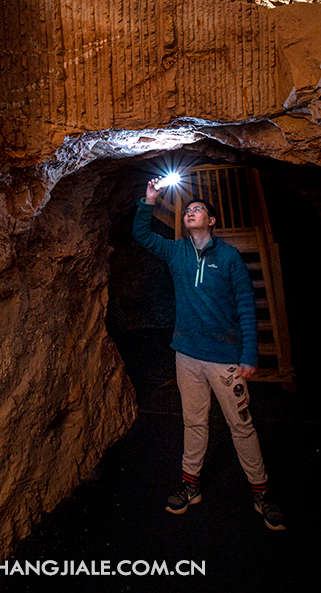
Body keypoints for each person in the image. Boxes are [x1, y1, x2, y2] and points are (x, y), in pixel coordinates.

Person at [132, 177, 286, 531]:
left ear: (212, 221)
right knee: (194, 422)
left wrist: (249, 354)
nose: (190, 212)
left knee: (241, 425)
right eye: (187, 210)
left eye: (198, 209)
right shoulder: (176, 251)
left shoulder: (229, 257)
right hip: (186, 354)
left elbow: (247, 307)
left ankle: (261, 493)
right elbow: (142, 236)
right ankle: (190, 487)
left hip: (224, 359)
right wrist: (149, 201)